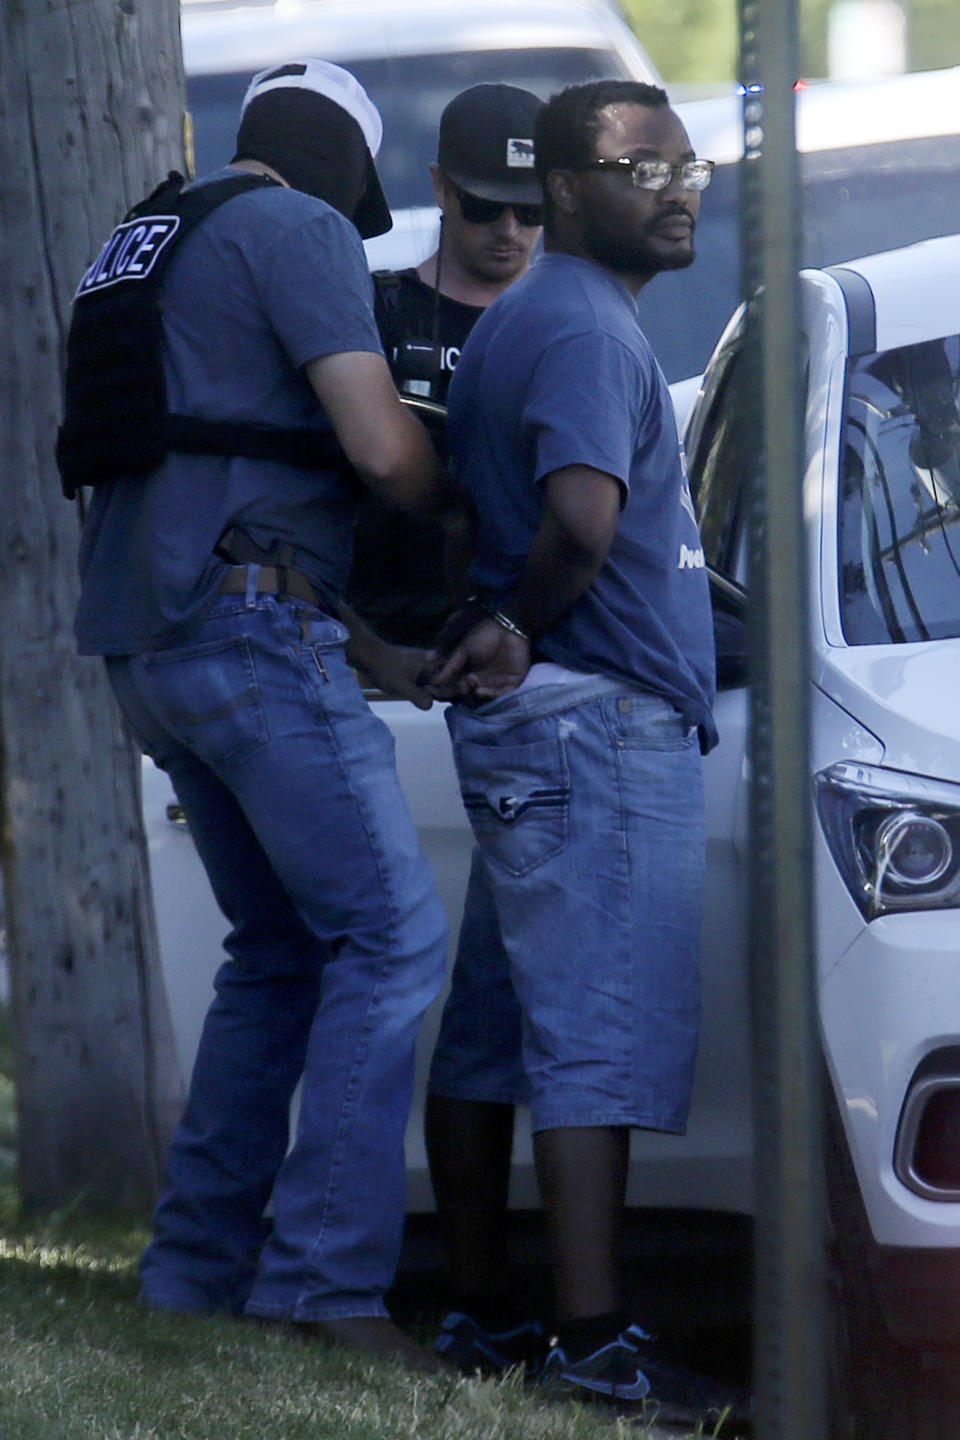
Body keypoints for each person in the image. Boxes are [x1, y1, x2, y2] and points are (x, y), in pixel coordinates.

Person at [71, 59, 453, 1370]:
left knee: (279, 954)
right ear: (343, 169)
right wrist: (455, 477)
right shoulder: (294, 229)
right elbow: (377, 449)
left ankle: (193, 1274)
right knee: (393, 936)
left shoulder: (144, 240)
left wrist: (373, 653)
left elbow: (212, 468)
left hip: (155, 646)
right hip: (241, 638)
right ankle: (322, 1287)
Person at [421, 80, 745, 1424]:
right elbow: (580, 525)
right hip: (596, 720)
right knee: (592, 1037)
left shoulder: (541, 318)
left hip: (564, 716)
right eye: (639, 166)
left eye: (688, 164)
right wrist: (514, 621)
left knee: (500, 1027)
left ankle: (484, 1310)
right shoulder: (581, 329)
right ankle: (595, 1344)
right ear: (564, 188)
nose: (675, 188)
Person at [346, 83, 544, 648]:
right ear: (440, 187)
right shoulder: (373, 314)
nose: (509, 230)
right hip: (389, 645)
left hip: (527, 642)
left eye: (530, 210)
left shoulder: (575, 329)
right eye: (483, 206)